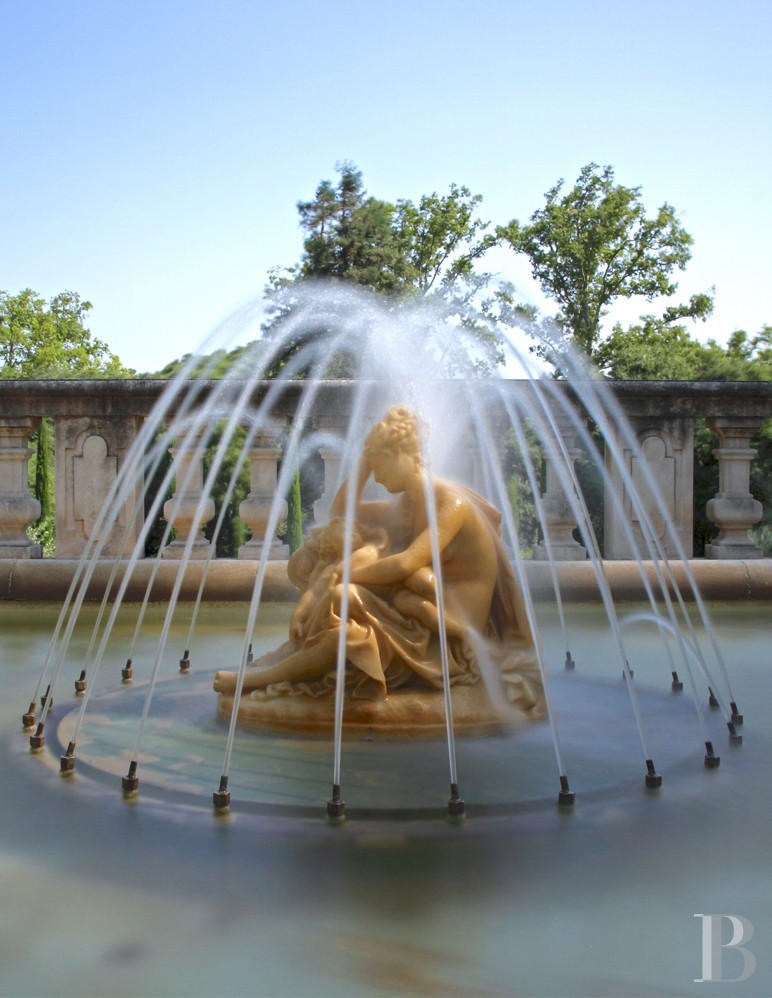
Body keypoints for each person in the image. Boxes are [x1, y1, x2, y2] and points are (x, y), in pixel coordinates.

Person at [213, 406, 543, 715]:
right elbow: (341, 511)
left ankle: (271, 677)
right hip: (421, 603)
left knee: (343, 598)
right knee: (341, 598)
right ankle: (298, 664)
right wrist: (365, 461)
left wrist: (345, 572)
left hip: (451, 625)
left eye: (379, 464)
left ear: (399, 455)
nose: (377, 478)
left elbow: (404, 564)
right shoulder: (410, 504)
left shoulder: (450, 504)